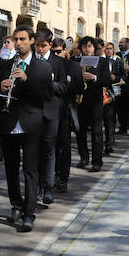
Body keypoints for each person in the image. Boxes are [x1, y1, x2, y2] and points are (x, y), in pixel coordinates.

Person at [0, 26, 52, 232]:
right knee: (10, 169)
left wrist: (27, 80)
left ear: (31, 41)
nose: (18, 42)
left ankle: (29, 213)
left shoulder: (42, 67)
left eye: (22, 39)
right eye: (15, 39)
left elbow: (45, 96)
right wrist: (0, 87)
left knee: (30, 169)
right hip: (9, 122)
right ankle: (16, 205)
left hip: (31, 123)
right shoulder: (7, 64)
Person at [33, 29, 65, 205]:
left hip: (51, 111)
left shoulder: (58, 63)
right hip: (32, 111)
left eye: (43, 46)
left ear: (50, 45)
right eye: (37, 45)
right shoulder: (29, 61)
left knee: (49, 150)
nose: (39, 49)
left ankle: (48, 188)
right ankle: (36, 186)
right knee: (34, 150)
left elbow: (63, 88)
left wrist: (48, 84)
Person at [52, 38, 82, 191]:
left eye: (58, 51)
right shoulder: (48, 64)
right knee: (51, 146)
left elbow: (79, 88)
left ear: (65, 50)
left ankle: (63, 177)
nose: (56, 54)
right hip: (50, 110)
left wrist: (64, 86)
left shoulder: (73, 66)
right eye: (53, 52)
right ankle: (52, 177)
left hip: (65, 110)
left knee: (64, 145)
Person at [75, 36, 108, 172]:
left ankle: (97, 161)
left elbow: (107, 80)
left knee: (96, 131)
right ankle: (84, 157)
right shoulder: (75, 61)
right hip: (80, 101)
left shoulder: (102, 62)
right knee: (80, 131)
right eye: (85, 46)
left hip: (95, 101)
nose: (87, 49)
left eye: (90, 46)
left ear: (94, 48)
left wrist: (94, 78)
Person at [102, 41, 123, 156]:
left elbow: (122, 75)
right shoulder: (100, 61)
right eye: (107, 48)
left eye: (110, 48)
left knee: (110, 119)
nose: (109, 50)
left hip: (112, 93)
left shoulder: (116, 62)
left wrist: (116, 77)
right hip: (101, 93)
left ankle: (109, 144)